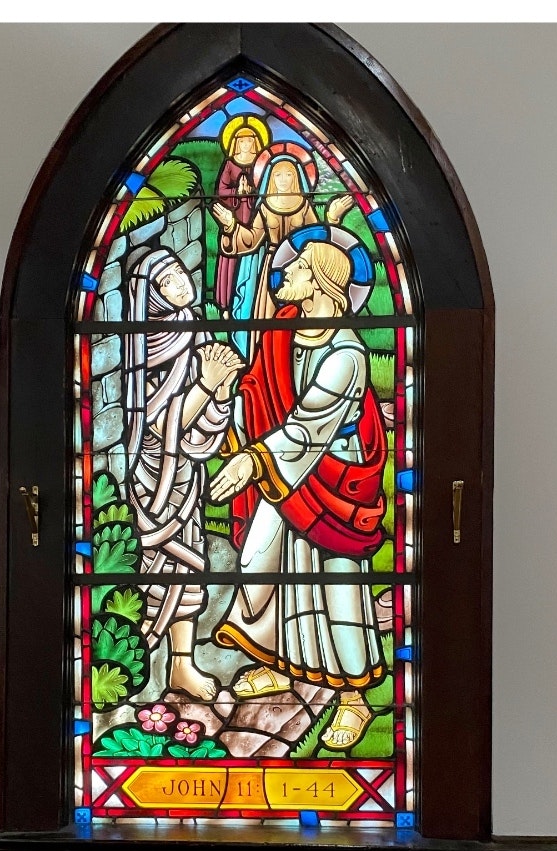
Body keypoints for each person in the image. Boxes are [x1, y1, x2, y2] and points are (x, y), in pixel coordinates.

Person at [207, 238, 388, 750]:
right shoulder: (281, 330)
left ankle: (355, 697)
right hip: (283, 470)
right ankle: (280, 665)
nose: (283, 276)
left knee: (334, 586)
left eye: (297, 270)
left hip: (333, 481)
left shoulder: (347, 354)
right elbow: (260, 390)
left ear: (322, 282)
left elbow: (310, 427)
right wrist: (228, 400)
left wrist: (254, 459)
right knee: (262, 562)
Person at [120, 249, 242, 701]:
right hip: (150, 476)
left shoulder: (194, 329)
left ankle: (183, 666)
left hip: (186, 472)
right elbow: (150, 420)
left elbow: (200, 423)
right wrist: (206, 385)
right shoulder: (139, 343)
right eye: (168, 280)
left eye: (179, 273)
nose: (181, 283)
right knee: (156, 566)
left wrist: (220, 392)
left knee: (190, 564)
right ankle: (141, 661)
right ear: (150, 296)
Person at [209, 148, 354, 358]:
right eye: (278, 175)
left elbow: (318, 239)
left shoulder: (304, 205)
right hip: (273, 269)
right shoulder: (266, 207)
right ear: (270, 178)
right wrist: (231, 225)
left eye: (288, 174)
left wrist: (332, 219)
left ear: (297, 177)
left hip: (302, 269)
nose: (283, 180)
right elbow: (250, 240)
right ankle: (265, 364)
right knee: (268, 322)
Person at [211, 116, 268, 316]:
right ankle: (225, 305)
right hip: (233, 217)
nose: (246, 144)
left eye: (250, 140)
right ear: (236, 143)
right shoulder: (229, 164)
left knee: (255, 256)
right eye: (242, 140)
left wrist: (251, 193)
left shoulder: (262, 163)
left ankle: (253, 302)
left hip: (256, 217)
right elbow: (220, 191)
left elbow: (267, 188)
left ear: (256, 142)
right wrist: (238, 194)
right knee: (230, 256)